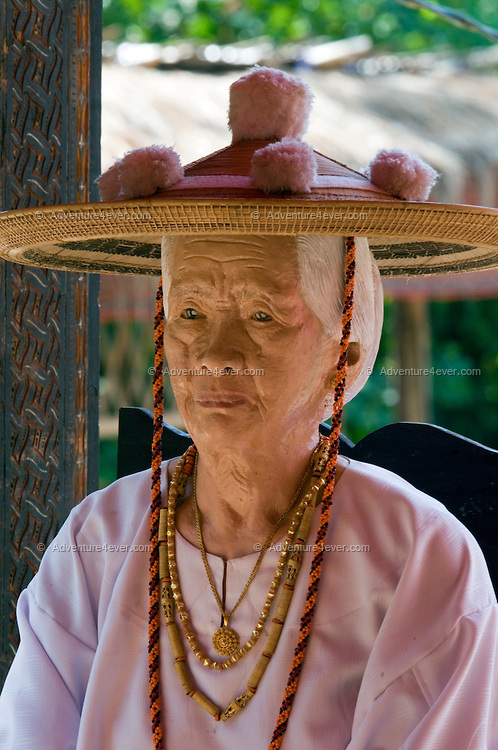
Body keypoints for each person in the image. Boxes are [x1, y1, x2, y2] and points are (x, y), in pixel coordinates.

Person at [0, 67, 497, 749]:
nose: (215, 352)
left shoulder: (416, 555)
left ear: (345, 358)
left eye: (263, 315)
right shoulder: (99, 540)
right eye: (191, 312)